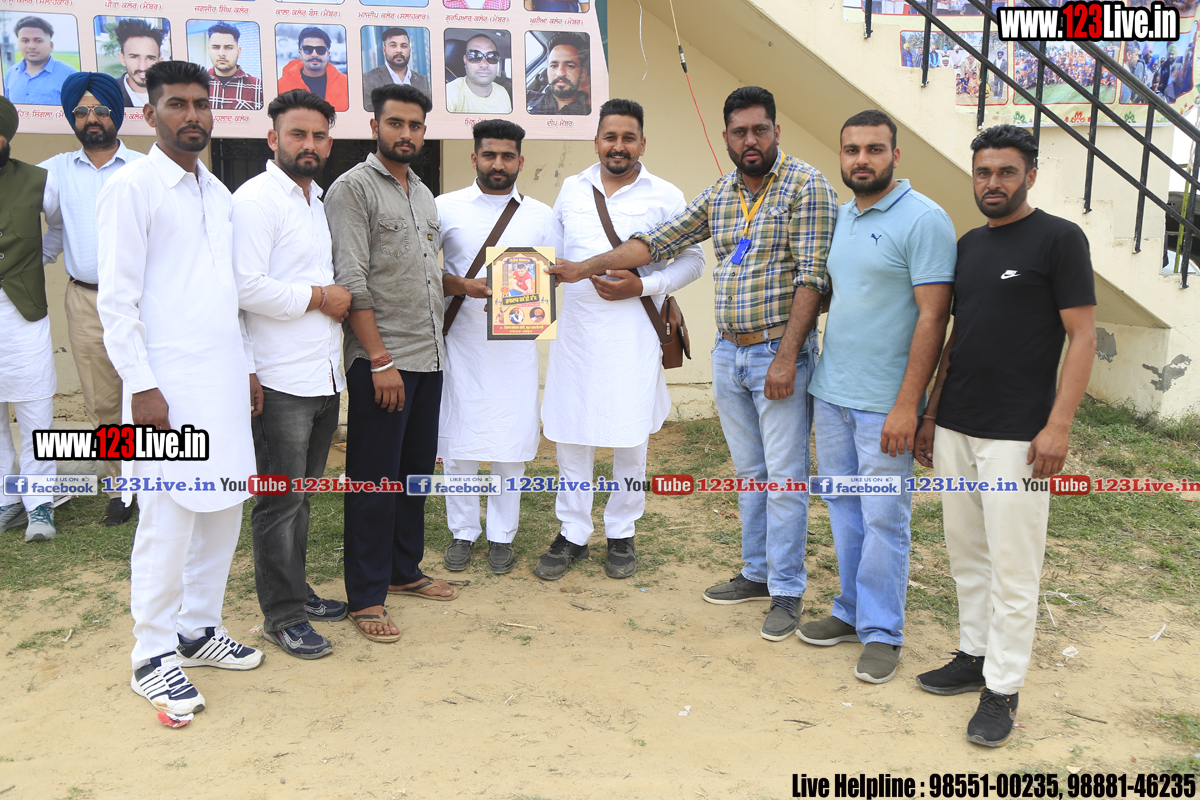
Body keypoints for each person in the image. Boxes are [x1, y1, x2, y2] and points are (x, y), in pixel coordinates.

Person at [546, 87, 837, 641]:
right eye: (739, 132)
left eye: (759, 130)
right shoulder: (721, 194)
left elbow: (812, 277)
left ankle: (787, 589)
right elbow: (656, 241)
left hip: (777, 352)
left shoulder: (806, 185)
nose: (750, 141)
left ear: (776, 132)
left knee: (784, 477)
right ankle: (756, 573)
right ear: (726, 137)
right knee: (751, 474)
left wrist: (787, 356)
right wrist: (585, 268)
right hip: (729, 352)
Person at [913, 125, 1096, 747]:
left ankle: (1003, 688)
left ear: (1030, 176)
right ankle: (974, 654)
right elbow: (956, 335)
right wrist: (931, 414)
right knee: (966, 552)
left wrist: (1058, 425)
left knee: (1014, 567)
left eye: (1007, 172)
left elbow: (1083, 337)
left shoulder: (1060, 239)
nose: (993, 183)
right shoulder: (968, 245)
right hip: (956, 426)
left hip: (1018, 435)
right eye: (984, 172)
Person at [97, 60, 263, 717]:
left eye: (200, 103)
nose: (192, 114)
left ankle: (197, 630)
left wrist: (247, 365)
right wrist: (141, 386)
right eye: (176, 104)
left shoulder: (216, 193)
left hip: (221, 383)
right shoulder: (131, 188)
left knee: (223, 510)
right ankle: (151, 655)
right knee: (166, 523)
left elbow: (228, 295)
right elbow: (117, 303)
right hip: (162, 390)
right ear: (149, 114)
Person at [325, 84, 490, 643]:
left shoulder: (422, 194)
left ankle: (403, 570)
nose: (406, 134)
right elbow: (352, 280)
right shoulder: (352, 190)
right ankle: (366, 594)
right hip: (383, 361)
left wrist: (463, 285)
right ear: (375, 127)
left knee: (414, 471)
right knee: (374, 479)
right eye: (395, 123)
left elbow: (420, 270)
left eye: (416, 125)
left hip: (428, 355)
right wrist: (378, 359)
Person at [796, 110, 955, 684]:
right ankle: (851, 609)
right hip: (831, 393)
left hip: (886, 404)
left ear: (895, 155)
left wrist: (909, 405)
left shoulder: (924, 220)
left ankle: (883, 631)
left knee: (885, 517)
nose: (861, 159)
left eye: (874, 149)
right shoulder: (842, 216)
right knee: (844, 507)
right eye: (852, 150)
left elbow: (934, 318)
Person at [536, 98, 704, 581]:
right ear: (596, 141)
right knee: (572, 432)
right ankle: (572, 531)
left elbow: (693, 261)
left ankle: (622, 530)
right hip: (577, 335)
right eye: (610, 137)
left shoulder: (666, 195)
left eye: (629, 138)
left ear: (642, 144)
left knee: (630, 436)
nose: (619, 146)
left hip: (634, 334)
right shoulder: (572, 189)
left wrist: (644, 286)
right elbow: (552, 257)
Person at [232, 90, 350, 660]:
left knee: (300, 498)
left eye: (319, 136)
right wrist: (319, 297)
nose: (309, 144)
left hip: (322, 375)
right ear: (272, 138)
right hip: (280, 380)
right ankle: (282, 617)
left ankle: (297, 594)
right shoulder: (256, 199)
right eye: (297, 134)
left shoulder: (316, 199)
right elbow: (244, 287)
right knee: (280, 501)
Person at [436, 119, 562, 574]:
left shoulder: (542, 216)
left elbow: (555, 275)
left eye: (507, 156)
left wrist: (533, 298)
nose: (498, 163)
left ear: (520, 162)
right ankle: (463, 531)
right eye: (489, 154)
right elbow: (422, 271)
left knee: (510, 445)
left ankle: (502, 535)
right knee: (459, 444)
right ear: (474, 158)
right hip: (460, 344)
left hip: (515, 349)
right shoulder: (444, 207)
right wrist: (461, 285)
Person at [39, 72, 143, 527]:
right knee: (104, 403)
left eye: (100, 109)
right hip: (86, 301)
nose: (92, 118)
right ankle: (122, 489)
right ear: (71, 118)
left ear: (116, 112)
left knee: (153, 393)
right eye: (81, 111)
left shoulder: (143, 168)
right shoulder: (55, 171)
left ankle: (157, 483)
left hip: (143, 302)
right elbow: (41, 227)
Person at [0, 96, 62, 543]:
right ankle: (6, 498)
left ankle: (39, 502)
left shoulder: (40, 180)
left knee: (35, 407)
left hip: (23, 313)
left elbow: (58, 228)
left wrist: (35, 261)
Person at [3, 16, 76, 105]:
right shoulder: (10, 74)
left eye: (38, 41)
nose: (31, 46)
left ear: (51, 46)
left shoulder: (69, 75)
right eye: (25, 41)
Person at [278, 27, 349, 112]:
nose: (314, 54)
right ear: (300, 53)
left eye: (320, 50)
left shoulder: (346, 84)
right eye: (308, 50)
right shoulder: (281, 85)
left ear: (328, 54)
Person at [363, 28, 431, 110]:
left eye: (404, 46)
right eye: (393, 45)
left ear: (409, 50)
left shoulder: (422, 80)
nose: (399, 50)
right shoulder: (368, 79)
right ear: (384, 50)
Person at [446, 34, 512, 114]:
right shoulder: (449, 93)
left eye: (492, 57)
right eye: (475, 56)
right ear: (465, 60)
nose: (484, 64)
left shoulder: (502, 92)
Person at [526, 33, 590, 115]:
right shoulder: (527, 98)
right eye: (554, 66)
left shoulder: (592, 115)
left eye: (570, 66)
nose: (560, 73)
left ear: (582, 74)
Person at [204, 22, 263, 111]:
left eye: (228, 47)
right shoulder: (197, 84)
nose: (221, 54)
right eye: (216, 47)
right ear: (209, 50)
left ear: (238, 51)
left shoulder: (258, 87)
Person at [114, 18, 163, 108]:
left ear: (160, 61)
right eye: (134, 57)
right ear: (122, 59)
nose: (142, 67)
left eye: (150, 58)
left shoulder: (174, 92)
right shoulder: (107, 93)